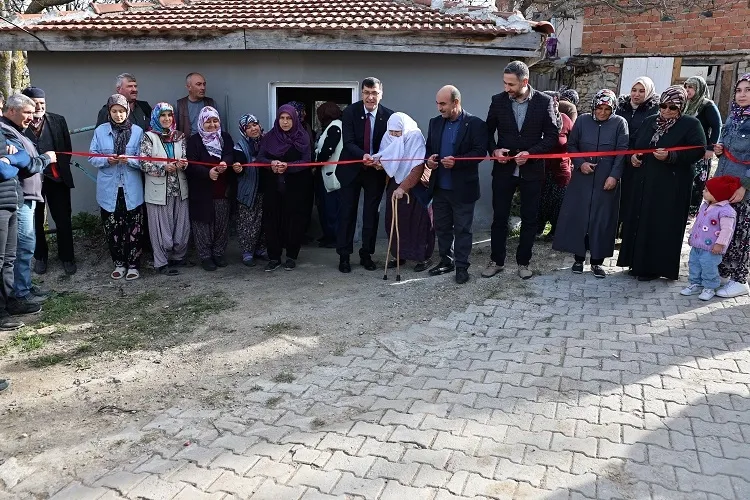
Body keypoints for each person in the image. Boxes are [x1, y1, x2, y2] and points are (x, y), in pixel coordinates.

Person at [617, 85, 707, 281]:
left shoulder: (690, 124)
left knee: (660, 224)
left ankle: (653, 267)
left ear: (681, 107)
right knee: (641, 220)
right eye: (663, 106)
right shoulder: (650, 121)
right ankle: (635, 262)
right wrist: (633, 156)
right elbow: (635, 143)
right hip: (644, 182)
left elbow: (698, 150)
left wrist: (671, 156)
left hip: (671, 186)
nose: (666, 110)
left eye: (672, 107)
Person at [484, 61, 560, 280]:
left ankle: (523, 262)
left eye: (511, 84)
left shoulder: (544, 102)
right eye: (504, 83)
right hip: (503, 171)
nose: (506, 88)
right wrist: (494, 150)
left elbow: (552, 136)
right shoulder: (497, 101)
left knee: (530, 219)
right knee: (499, 217)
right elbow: (486, 132)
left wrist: (531, 153)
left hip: (532, 171)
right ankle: (496, 261)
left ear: (525, 81)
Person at [553, 89, 629, 278]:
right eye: (599, 108)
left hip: (606, 178)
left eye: (607, 109)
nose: (602, 112)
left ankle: (597, 262)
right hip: (582, 178)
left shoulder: (620, 123)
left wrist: (614, 176)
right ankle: (578, 259)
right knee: (579, 217)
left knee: (602, 219)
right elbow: (572, 145)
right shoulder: (582, 121)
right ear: (594, 106)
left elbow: (622, 151)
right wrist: (580, 164)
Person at [424, 85, 488, 284]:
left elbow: (480, 152)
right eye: (437, 103)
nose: (439, 108)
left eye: (443, 104)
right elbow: (428, 149)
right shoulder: (434, 123)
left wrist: (457, 162)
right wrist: (429, 161)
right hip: (440, 187)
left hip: (463, 188)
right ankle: (446, 261)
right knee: (442, 228)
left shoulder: (475, 124)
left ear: (456, 102)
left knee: (462, 230)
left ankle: (461, 267)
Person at [1, 94, 56, 311]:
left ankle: (24, 286)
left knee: (25, 246)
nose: (31, 117)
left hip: (27, 196)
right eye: (27, 112)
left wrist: (24, 158)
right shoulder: (6, 131)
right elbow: (26, 164)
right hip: (19, 196)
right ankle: (19, 293)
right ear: (11, 111)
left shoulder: (17, 131)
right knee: (22, 247)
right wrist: (46, 159)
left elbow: (24, 158)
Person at [336, 78, 393, 273]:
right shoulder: (349, 112)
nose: (370, 97)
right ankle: (344, 256)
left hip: (375, 172)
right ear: (361, 94)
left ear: (381, 94)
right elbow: (348, 142)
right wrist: (363, 156)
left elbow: (392, 145)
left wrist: (381, 160)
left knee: (371, 214)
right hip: (351, 169)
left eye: (374, 93)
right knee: (347, 213)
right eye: (367, 93)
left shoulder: (389, 116)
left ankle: (366, 254)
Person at [21, 87, 77, 276]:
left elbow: (66, 148)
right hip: (31, 181)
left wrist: (58, 169)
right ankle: (40, 257)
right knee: (35, 221)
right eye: (35, 103)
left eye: (42, 103)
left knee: (63, 219)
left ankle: (67, 257)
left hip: (56, 179)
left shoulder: (58, 120)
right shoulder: (19, 124)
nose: (39, 107)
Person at [90, 94, 145, 281]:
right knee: (113, 228)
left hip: (132, 188)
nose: (118, 115)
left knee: (134, 227)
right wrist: (107, 160)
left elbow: (144, 159)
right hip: (108, 190)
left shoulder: (137, 131)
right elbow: (92, 156)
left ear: (127, 111)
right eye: (114, 111)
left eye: (122, 111)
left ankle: (133, 265)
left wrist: (130, 160)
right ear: (109, 112)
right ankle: (119, 263)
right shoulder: (100, 131)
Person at [374, 112, 434, 273]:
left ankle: (422, 257)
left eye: (397, 132)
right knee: (394, 220)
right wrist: (379, 164)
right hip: (394, 182)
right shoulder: (388, 136)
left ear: (405, 129)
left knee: (417, 223)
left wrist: (403, 187)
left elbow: (417, 167)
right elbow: (387, 157)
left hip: (416, 185)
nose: (394, 135)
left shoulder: (414, 136)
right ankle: (398, 255)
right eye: (392, 132)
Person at [256, 104, 313, 272]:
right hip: (273, 186)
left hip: (296, 187)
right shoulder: (269, 137)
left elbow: (307, 161)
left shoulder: (302, 137)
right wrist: (271, 164)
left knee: (294, 221)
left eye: (289, 118)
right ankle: (274, 257)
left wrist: (289, 166)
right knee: (272, 221)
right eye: (282, 118)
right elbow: (260, 158)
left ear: (295, 119)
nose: (285, 122)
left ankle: (291, 256)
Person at [139, 103, 189, 275]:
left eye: (169, 115)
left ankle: (178, 257)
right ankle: (161, 262)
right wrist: (163, 168)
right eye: (163, 115)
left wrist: (183, 164)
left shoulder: (179, 136)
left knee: (181, 226)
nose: (167, 119)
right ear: (156, 117)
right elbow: (143, 163)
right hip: (159, 191)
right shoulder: (149, 137)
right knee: (161, 229)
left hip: (179, 188)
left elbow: (185, 158)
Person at [713, 73, 750, 298]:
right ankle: (725, 272)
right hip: (725, 182)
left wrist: (745, 186)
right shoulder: (733, 117)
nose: (742, 95)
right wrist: (720, 149)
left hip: (743, 187)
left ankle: (740, 279)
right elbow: (728, 146)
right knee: (726, 229)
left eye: (748, 90)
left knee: (742, 234)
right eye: (739, 90)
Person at [185, 106, 236, 271]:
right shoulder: (194, 141)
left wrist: (224, 163)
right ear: (201, 122)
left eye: (215, 121)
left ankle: (218, 254)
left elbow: (230, 153)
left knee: (221, 224)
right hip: (201, 192)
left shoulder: (225, 137)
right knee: (202, 225)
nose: (212, 125)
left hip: (222, 191)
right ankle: (205, 256)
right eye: (208, 121)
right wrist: (207, 173)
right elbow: (191, 164)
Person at [680, 176, 740, 301]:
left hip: (712, 248)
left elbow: (727, 230)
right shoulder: (705, 205)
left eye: (707, 190)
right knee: (694, 264)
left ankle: (710, 288)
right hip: (697, 244)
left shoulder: (726, 211)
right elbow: (698, 222)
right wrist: (692, 235)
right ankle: (695, 284)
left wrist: (720, 244)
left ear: (717, 194)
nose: (703, 191)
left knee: (709, 267)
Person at [0, 120, 35, 329]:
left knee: (9, 259)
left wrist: (10, 159)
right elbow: (3, 172)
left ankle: (8, 302)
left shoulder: (2, 133)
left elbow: (24, 158)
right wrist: (11, 163)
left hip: (11, 201)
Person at [615, 76, 660, 235]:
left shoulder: (654, 109)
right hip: (620, 155)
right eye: (634, 90)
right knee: (617, 195)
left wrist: (635, 154)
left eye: (641, 91)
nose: (636, 94)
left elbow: (650, 134)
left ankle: (628, 233)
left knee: (633, 196)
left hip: (640, 159)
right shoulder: (622, 106)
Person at [537, 90, 574, 242]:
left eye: (554, 102)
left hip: (561, 170)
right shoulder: (536, 120)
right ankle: (537, 228)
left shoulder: (565, 119)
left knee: (559, 203)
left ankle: (555, 231)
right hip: (540, 169)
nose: (552, 105)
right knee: (540, 201)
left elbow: (574, 142)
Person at [684, 76, 722, 217]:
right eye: (686, 87)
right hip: (685, 150)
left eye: (691, 87)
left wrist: (710, 148)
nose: (687, 90)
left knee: (697, 181)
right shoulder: (686, 104)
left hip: (701, 151)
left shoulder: (707, 105)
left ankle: (692, 211)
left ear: (699, 89)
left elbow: (717, 127)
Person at [233, 114, 266, 267]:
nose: (253, 129)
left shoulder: (267, 142)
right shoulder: (240, 146)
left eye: (255, 124)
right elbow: (238, 163)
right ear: (243, 130)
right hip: (248, 192)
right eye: (248, 127)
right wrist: (238, 168)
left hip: (264, 190)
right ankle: (247, 252)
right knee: (248, 223)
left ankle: (260, 249)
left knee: (263, 221)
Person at [313, 101, 343, 249]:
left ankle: (334, 238)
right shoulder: (332, 127)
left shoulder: (335, 127)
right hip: (326, 173)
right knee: (325, 207)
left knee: (331, 208)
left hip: (331, 173)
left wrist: (316, 161)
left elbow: (327, 150)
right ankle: (328, 235)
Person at [175, 72, 218, 137]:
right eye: (199, 84)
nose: (203, 88)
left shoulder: (211, 103)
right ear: (189, 87)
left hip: (208, 141)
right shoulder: (179, 105)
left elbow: (220, 128)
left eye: (204, 84)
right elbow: (174, 130)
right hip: (187, 142)